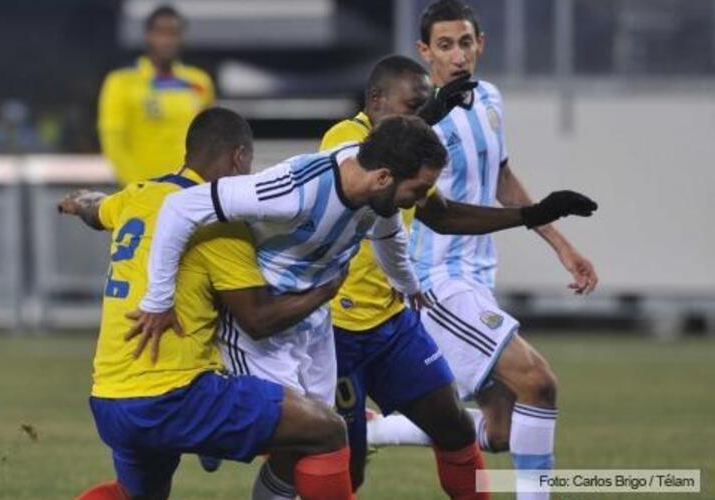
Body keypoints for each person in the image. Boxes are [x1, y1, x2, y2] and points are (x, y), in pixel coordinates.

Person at [133, 114, 494, 499]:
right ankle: (216, 440)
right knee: (307, 438)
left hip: (315, 323)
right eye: (418, 190)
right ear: (384, 177)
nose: (421, 202)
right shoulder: (295, 189)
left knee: (317, 443)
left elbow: (389, 236)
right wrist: (158, 299)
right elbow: (181, 207)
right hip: (263, 332)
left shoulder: (377, 190)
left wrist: (408, 286)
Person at [319, 54, 597, 492]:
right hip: (337, 330)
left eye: (424, 107)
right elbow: (366, 166)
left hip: (393, 323)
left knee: (458, 430)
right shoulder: (343, 137)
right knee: (346, 469)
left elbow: (444, 215)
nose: (421, 118)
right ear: (375, 100)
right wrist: (430, 116)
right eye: (412, 108)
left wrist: (531, 215)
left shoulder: (408, 158)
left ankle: (374, 431)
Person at [62, 108, 355, 500]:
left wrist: (80, 201)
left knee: (136, 495)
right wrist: (324, 291)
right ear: (238, 157)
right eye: (248, 164)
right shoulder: (219, 223)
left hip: (110, 397)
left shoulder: (137, 195)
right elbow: (258, 320)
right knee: (325, 431)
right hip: (174, 395)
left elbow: (96, 210)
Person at [98, 5, 215, 184]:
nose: (167, 41)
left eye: (173, 33)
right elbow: (113, 142)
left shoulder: (200, 81)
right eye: (161, 33)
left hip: (189, 189)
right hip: (144, 188)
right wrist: (138, 187)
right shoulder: (121, 82)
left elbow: (209, 138)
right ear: (148, 36)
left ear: (181, 38)